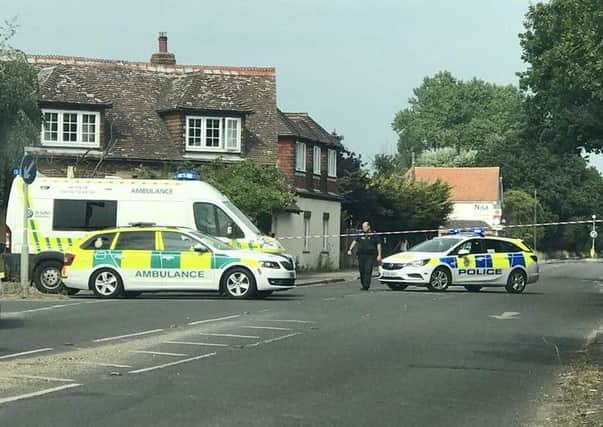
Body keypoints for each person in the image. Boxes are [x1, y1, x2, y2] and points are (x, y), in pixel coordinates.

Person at [347, 221, 383, 290]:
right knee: (362, 270)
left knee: (368, 270)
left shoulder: (374, 235)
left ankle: (366, 285)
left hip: (370, 255)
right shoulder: (360, 234)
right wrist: (350, 249)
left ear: (369, 227)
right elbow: (354, 241)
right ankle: (363, 284)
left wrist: (379, 255)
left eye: (365, 227)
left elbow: (378, 244)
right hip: (361, 255)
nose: (363, 228)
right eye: (363, 227)